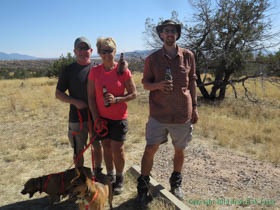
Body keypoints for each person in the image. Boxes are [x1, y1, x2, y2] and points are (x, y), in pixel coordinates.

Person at [136, 19, 199, 203]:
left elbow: (192, 82)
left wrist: (195, 107)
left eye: (173, 30)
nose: (169, 33)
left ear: (177, 34)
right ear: (161, 35)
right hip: (158, 114)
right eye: (166, 31)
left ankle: (176, 182)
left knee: (179, 150)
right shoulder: (152, 59)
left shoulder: (188, 56)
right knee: (150, 149)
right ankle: (143, 184)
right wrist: (158, 86)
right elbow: (146, 84)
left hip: (182, 114)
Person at [88, 37, 137, 195]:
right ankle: (109, 175)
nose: (107, 54)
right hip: (102, 119)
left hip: (119, 118)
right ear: (99, 52)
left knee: (118, 150)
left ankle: (119, 177)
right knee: (106, 147)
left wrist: (117, 100)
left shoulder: (122, 71)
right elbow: (91, 97)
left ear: (115, 51)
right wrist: (96, 118)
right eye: (104, 51)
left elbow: (134, 94)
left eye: (110, 50)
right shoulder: (95, 71)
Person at [55, 37, 103, 176]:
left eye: (85, 48)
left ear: (91, 51)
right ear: (75, 51)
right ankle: (80, 176)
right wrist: (75, 102)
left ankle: (98, 172)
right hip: (76, 118)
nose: (83, 51)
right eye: (80, 49)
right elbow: (58, 93)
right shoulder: (68, 70)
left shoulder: (97, 68)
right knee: (78, 150)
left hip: (96, 116)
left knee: (97, 146)